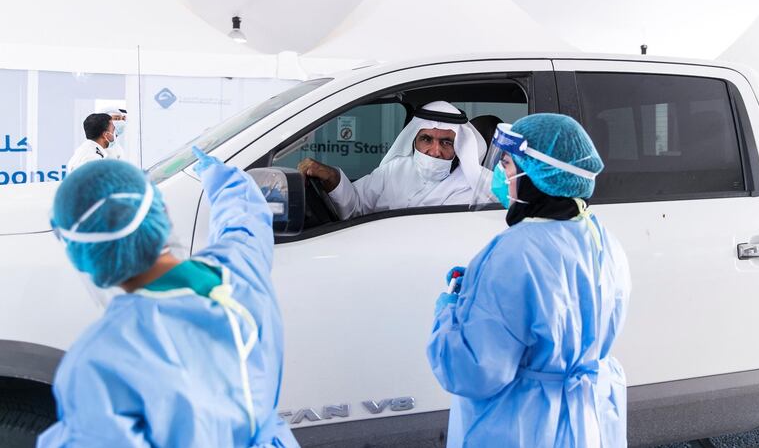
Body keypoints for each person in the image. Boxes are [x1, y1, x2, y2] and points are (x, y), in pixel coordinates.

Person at [38, 151, 298, 447]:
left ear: (84, 256)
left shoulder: (102, 357)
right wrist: (220, 175)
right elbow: (244, 220)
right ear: (159, 212)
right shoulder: (240, 270)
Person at [427, 113, 631, 447]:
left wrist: (449, 312)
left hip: (523, 426)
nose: (501, 177)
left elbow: (473, 372)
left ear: (537, 175)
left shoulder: (512, 253)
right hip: (585, 424)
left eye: (506, 165)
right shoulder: (601, 239)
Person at [297, 101, 486, 219]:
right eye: (427, 139)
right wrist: (331, 177)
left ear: (459, 146)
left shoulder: (470, 187)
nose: (435, 152)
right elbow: (356, 206)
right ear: (413, 140)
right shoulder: (395, 169)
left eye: (446, 142)